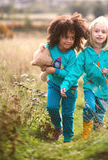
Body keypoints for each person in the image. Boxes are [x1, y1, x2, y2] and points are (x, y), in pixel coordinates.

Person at [60, 16, 108, 139]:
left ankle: (96, 137)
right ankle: (86, 133)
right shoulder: (85, 53)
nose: (100, 34)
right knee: (89, 107)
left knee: (99, 116)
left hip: (105, 89)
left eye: (103, 32)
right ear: (90, 33)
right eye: (96, 31)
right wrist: (65, 84)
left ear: (107, 35)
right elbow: (75, 71)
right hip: (90, 86)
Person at [42, 12, 89, 143]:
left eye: (72, 38)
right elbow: (42, 58)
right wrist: (42, 65)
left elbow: (69, 74)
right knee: (51, 107)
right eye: (65, 37)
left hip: (70, 87)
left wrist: (54, 71)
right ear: (57, 36)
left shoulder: (72, 54)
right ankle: (58, 128)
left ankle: (67, 138)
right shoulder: (50, 48)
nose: (69, 41)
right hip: (53, 85)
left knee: (67, 114)